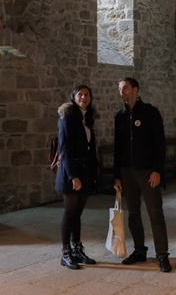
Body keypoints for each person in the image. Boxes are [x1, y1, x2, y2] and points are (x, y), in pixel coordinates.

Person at [113, 77, 171, 273]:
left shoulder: (150, 112)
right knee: (134, 214)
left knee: (155, 213)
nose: (122, 91)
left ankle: (162, 255)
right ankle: (139, 251)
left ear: (135, 90)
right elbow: (118, 148)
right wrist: (117, 176)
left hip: (148, 171)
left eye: (125, 88)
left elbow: (160, 144)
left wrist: (157, 170)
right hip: (127, 172)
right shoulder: (120, 116)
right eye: (120, 88)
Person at [55, 84, 99, 270]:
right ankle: (65, 253)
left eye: (87, 94)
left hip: (85, 171)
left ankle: (77, 249)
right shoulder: (67, 118)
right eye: (79, 94)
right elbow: (65, 150)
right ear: (73, 97)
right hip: (70, 172)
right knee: (70, 212)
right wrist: (73, 176)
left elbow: (90, 148)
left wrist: (93, 173)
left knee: (78, 213)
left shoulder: (86, 118)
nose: (83, 97)